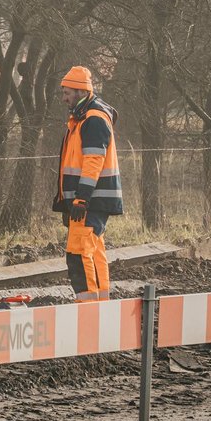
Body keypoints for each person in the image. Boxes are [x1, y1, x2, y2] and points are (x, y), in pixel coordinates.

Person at [52, 66, 123, 303]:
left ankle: (89, 307)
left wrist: (80, 199)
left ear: (81, 91)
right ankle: (100, 305)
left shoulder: (92, 118)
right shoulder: (85, 117)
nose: (64, 98)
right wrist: (67, 203)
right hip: (87, 202)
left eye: (67, 92)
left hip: (88, 201)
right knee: (93, 252)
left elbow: (93, 161)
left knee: (80, 254)